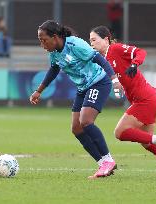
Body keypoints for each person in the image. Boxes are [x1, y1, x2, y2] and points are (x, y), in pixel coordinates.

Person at [90, 25, 156, 178]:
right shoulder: (105, 59)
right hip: (148, 98)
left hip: (145, 100)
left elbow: (141, 52)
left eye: (94, 39)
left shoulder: (115, 49)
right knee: (147, 143)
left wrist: (135, 64)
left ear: (106, 39)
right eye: (90, 41)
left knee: (120, 132)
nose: (91, 43)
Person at [30, 20, 123, 179]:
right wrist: (39, 91)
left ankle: (108, 161)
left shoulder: (75, 45)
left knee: (86, 121)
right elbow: (54, 69)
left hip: (99, 82)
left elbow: (99, 59)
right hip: (83, 89)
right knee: (77, 128)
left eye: (43, 39)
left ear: (55, 37)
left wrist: (114, 80)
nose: (42, 44)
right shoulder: (54, 53)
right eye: (40, 40)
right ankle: (103, 164)